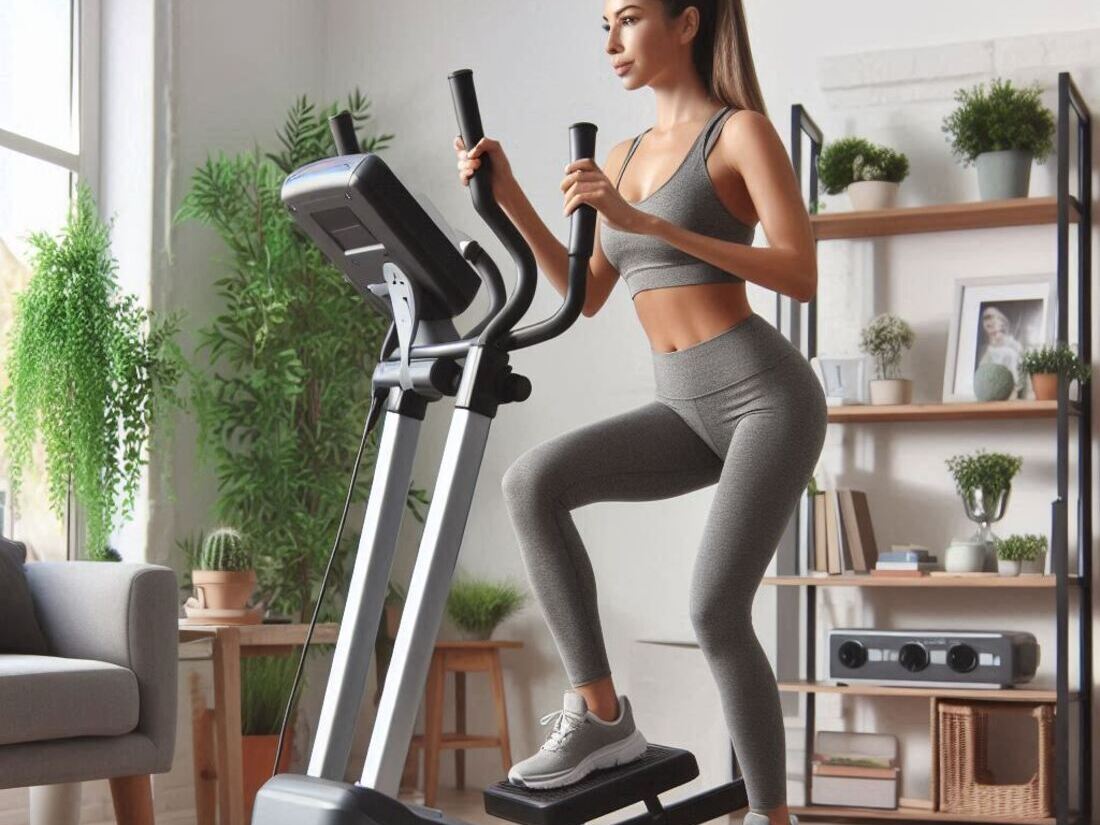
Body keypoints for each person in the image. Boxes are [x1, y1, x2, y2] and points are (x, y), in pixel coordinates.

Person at [453, 3, 824, 824]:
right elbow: (585, 295)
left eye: (628, 19)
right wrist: (508, 192)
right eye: (604, 27)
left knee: (714, 609)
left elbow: (799, 272)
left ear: (687, 23)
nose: (612, 42)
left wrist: (648, 223)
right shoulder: (616, 158)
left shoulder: (740, 134)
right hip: (681, 405)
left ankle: (770, 816)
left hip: (767, 396)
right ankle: (603, 718)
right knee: (532, 483)